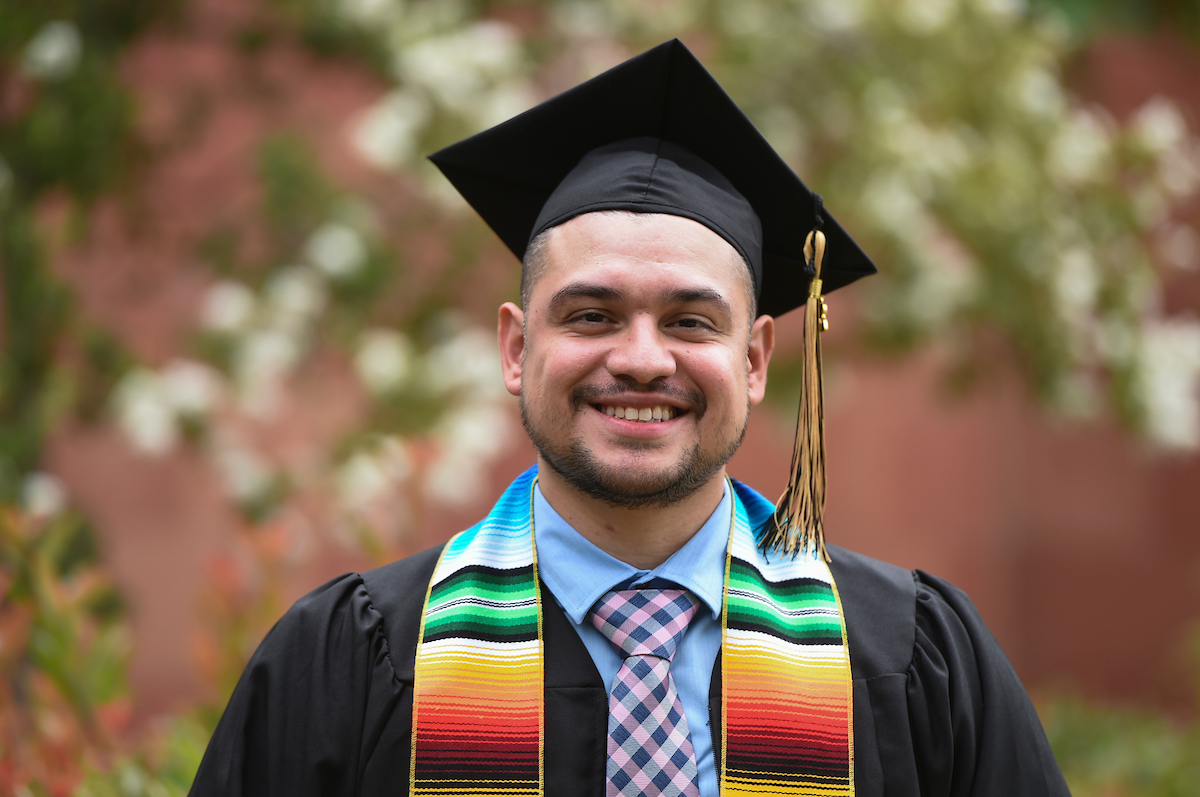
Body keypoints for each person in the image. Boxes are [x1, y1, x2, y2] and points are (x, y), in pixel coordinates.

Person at [189, 40, 1071, 797]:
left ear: (755, 360)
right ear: (516, 347)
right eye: (591, 315)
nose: (644, 358)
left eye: (690, 321)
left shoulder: (913, 659)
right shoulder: (350, 659)